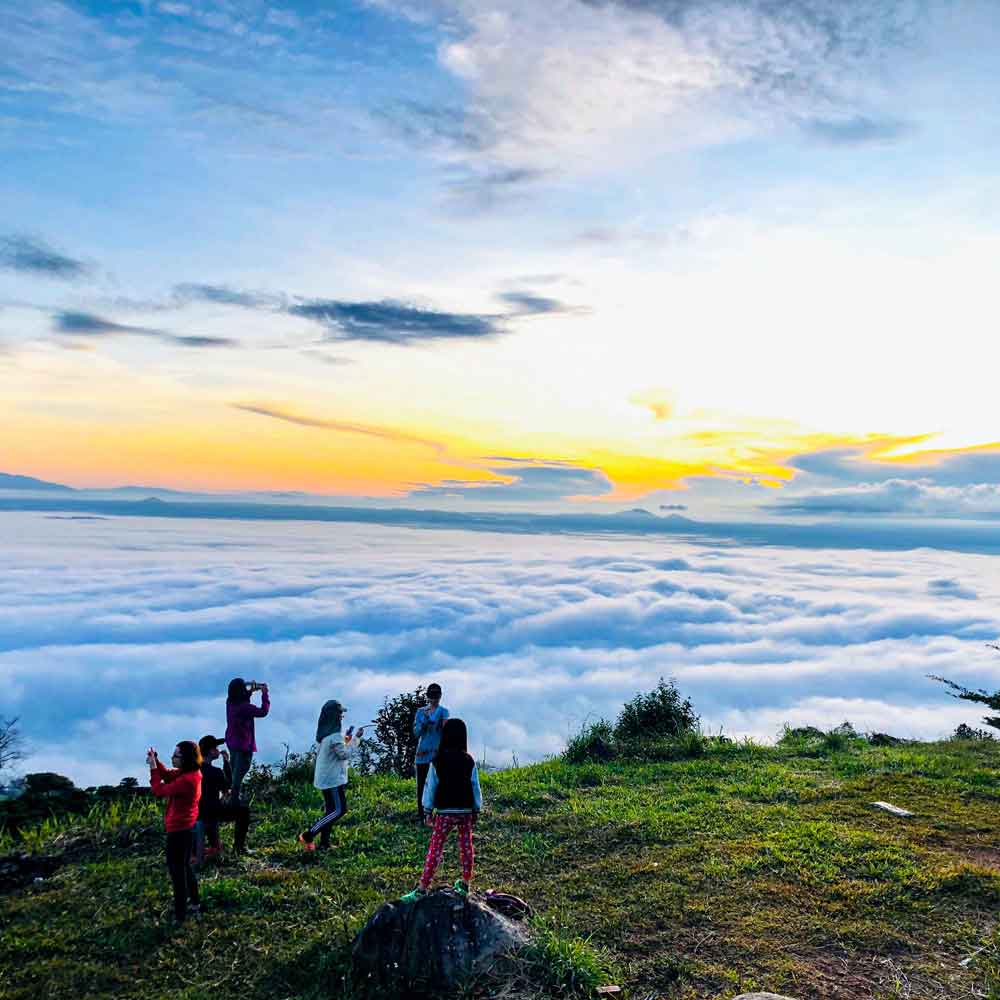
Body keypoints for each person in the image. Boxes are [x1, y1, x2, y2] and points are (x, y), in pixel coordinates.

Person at [402, 717, 482, 901]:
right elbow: (474, 786)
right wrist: (476, 809)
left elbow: (431, 786)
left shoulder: (438, 760)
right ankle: (465, 882)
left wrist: (427, 810)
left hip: (444, 811)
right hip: (464, 811)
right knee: (466, 846)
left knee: (436, 847)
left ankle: (422, 888)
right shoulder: (468, 760)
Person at [298, 700, 364, 851]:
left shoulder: (325, 735)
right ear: (335, 716)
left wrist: (345, 740)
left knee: (330, 811)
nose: (342, 716)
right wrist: (356, 739)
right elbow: (344, 754)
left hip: (326, 778)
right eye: (340, 713)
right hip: (332, 779)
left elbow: (337, 749)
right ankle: (309, 834)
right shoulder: (334, 737)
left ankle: (324, 844)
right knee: (339, 810)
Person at [148, 741, 202, 923]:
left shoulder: (187, 779)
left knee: (177, 872)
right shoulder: (190, 774)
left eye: (176, 755)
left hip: (179, 832)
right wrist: (157, 762)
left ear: (186, 759)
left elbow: (158, 790)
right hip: (186, 829)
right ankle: (194, 904)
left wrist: (153, 768)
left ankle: (180, 915)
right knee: (185, 868)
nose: (172, 757)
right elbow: (168, 775)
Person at [195, 735, 250, 861]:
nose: (218, 750)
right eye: (215, 748)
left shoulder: (195, 769)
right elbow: (228, 787)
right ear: (210, 751)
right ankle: (239, 847)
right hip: (212, 811)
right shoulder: (215, 771)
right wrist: (226, 762)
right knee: (243, 812)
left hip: (197, 812)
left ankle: (213, 845)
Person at [225, 677, 269, 803]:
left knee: (234, 772)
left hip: (232, 742)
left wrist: (251, 690)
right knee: (239, 774)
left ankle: (230, 797)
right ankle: (234, 801)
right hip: (243, 745)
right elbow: (263, 711)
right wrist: (264, 694)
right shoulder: (244, 707)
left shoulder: (230, 703)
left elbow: (242, 698)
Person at [413, 683, 449, 822]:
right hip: (422, 752)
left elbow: (445, 731)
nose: (434, 699)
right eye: (432, 696)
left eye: (436, 696)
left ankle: (437, 812)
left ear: (440, 696)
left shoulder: (443, 712)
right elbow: (416, 733)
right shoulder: (420, 712)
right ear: (428, 696)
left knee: (438, 783)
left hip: (437, 753)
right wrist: (424, 723)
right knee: (421, 784)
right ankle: (421, 813)